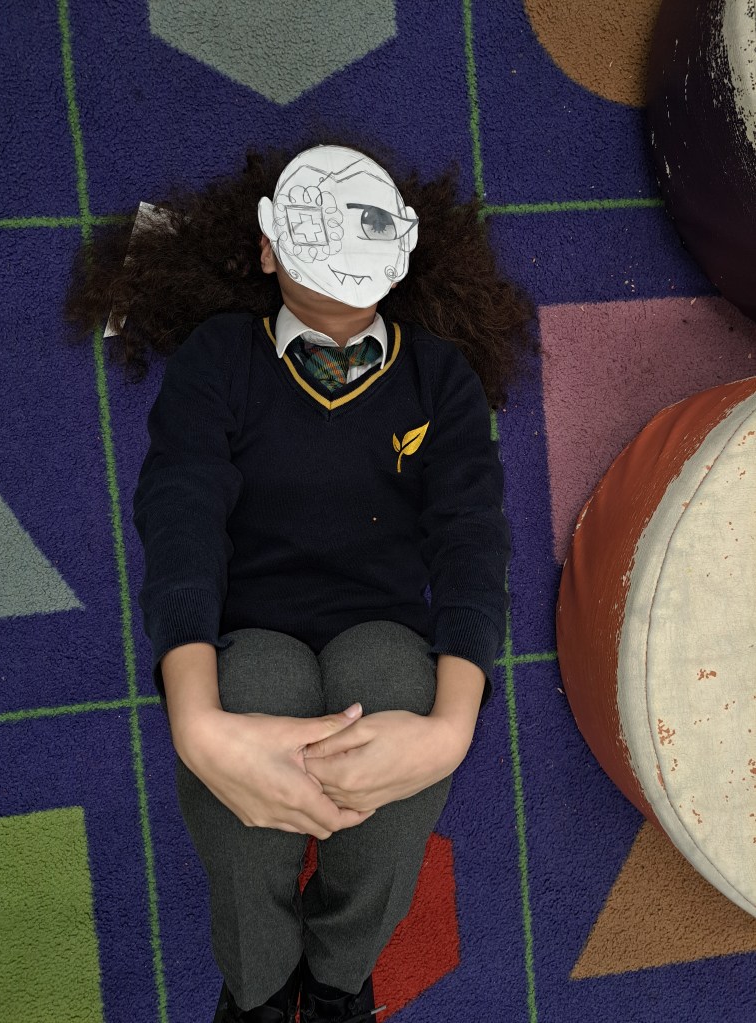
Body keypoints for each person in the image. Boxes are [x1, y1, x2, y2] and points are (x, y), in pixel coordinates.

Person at [63, 133, 537, 1023]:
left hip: (383, 631)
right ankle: (259, 988)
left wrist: (449, 729)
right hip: (248, 631)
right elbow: (181, 519)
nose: (340, 305)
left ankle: (338, 980)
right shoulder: (220, 357)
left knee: (395, 705)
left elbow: (473, 540)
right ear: (265, 250)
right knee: (251, 700)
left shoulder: (439, 377)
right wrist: (198, 724)